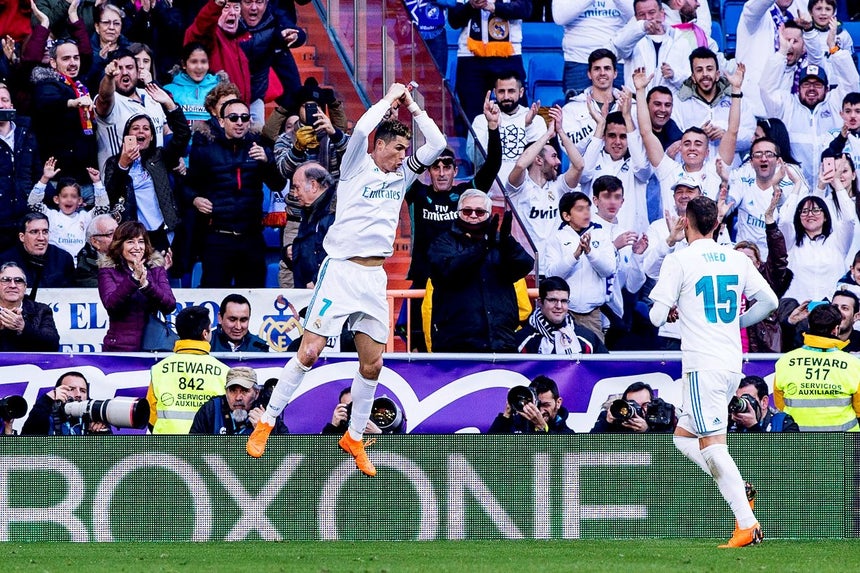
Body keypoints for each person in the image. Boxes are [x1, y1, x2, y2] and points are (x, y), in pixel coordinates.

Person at [246, 82, 446, 476]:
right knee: (309, 352)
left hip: (373, 277)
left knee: (373, 365)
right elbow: (361, 128)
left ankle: (354, 437)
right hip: (340, 271)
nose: (403, 156)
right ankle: (266, 422)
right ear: (379, 146)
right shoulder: (357, 164)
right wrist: (388, 98)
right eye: (398, 148)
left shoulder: (402, 176)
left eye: (406, 150)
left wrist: (413, 106)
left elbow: (437, 144)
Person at [649, 195, 779, 548]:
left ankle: (747, 523)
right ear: (717, 224)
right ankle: (739, 490)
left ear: (686, 223)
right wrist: (737, 321)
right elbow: (770, 302)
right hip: (731, 361)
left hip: (702, 363)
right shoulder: (736, 258)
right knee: (683, 438)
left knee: (712, 443)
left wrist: (673, 305)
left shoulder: (680, 259)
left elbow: (656, 317)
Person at [185, 97, 285, 287]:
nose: (240, 122)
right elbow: (187, 186)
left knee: (253, 295)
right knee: (214, 293)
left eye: (244, 118)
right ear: (222, 121)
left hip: (251, 237)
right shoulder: (206, 149)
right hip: (218, 237)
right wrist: (195, 199)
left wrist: (267, 161)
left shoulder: (259, 146)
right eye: (233, 118)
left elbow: (278, 184)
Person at [427, 189, 534, 352]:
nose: (473, 215)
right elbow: (450, 270)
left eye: (480, 212)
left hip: (500, 341)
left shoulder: (500, 241)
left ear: (488, 215)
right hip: (456, 343)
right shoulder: (443, 242)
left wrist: (508, 242)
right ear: (458, 213)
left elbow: (525, 265)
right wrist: (484, 246)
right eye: (467, 211)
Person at [103, 83, 190, 252]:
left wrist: (170, 105)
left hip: (162, 231)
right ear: (127, 135)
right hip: (132, 235)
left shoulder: (161, 156)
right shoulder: (114, 162)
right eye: (135, 128)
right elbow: (111, 194)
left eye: (146, 129)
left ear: (151, 136)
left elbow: (183, 135)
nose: (141, 132)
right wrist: (123, 164)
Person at [506, 104, 583, 276]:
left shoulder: (558, 186)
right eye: (554, 156)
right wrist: (547, 134)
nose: (558, 162)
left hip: (553, 267)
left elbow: (579, 165)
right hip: (524, 269)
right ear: (539, 160)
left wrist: (560, 131)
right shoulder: (519, 187)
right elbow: (520, 165)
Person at [28, 40, 98, 207]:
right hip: (59, 182)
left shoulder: (81, 86)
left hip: (86, 180)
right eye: (66, 58)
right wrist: (72, 103)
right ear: (53, 62)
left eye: (76, 58)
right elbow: (46, 102)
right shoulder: (46, 85)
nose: (73, 63)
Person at [774, 303, 860, 431]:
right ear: (835, 330)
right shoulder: (853, 364)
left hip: (797, 440)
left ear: (809, 325)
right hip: (842, 441)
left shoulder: (785, 361)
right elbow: (859, 409)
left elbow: (780, 404)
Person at [544, 191, 616, 342]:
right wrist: (575, 255)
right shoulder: (556, 238)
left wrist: (590, 252)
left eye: (588, 208)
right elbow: (552, 276)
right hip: (563, 313)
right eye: (580, 209)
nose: (586, 213)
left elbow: (609, 269)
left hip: (592, 314)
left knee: (595, 354)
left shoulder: (601, 235)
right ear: (566, 216)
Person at [147, 305, 229, 433]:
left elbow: (151, 417)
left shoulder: (159, 370)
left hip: (166, 444)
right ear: (205, 333)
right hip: (207, 444)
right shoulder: (224, 372)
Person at [448, 0, 531, 124]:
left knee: (515, 112)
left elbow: (525, 9)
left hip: (508, 54)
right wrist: (471, 5)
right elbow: (454, 20)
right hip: (470, 56)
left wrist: (494, 7)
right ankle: (476, 138)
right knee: (472, 115)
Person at [98, 221, 175, 351]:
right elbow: (111, 305)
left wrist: (146, 285)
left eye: (141, 241)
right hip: (119, 348)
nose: (137, 247)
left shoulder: (156, 268)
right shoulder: (108, 270)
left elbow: (170, 305)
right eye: (130, 242)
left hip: (152, 346)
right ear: (119, 245)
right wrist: (134, 279)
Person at [94, 47, 169, 173]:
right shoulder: (111, 100)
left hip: (155, 178)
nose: (124, 72)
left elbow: (166, 132)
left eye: (129, 67)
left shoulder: (151, 95)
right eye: (118, 68)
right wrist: (109, 77)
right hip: (120, 179)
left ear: (138, 71)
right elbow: (104, 98)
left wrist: (176, 157)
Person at [27, 161, 109, 259]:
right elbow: (33, 204)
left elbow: (103, 209)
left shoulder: (85, 217)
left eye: (73, 196)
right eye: (64, 196)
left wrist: (97, 182)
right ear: (56, 199)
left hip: (80, 264)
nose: (69, 200)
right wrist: (44, 179)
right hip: (56, 263)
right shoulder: (50, 215)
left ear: (79, 200)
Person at [552, 0, 633, 96]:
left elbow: (637, 16)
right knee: (576, 105)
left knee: (620, 105)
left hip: (617, 60)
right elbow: (560, 18)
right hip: (579, 59)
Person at [514, 275, 608, 354]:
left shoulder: (586, 338)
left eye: (563, 301)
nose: (559, 306)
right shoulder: (521, 340)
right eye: (552, 300)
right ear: (540, 302)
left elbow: (606, 367)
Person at [0, 82, 42, 252]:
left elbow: (37, 173)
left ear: (11, 105)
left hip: (25, 215)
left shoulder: (26, 133)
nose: (1, 105)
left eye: (4, 100)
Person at [184, 0, 252, 104]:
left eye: (236, 8)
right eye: (226, 7)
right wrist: (216, 5)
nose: (232, 12)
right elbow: (201, 28)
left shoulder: (242, 40)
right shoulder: (210, 38)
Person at [189, 366, 288, 435]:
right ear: (226, 392)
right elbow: (192, 449)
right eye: (232, 390)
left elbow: (286, 453)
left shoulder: (267, 414)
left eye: (244, 391)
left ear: (256, 393)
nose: (238, 397)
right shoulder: (211, 409)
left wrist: (265, 431)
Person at [0, 212, 75, 288]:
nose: (41, 238)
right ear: (22, 237)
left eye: (45, 232)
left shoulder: (63, 259)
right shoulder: (4, 261)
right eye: (34, 232)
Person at [21, 371, 110, 435]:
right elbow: (27, 443)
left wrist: (99, 434)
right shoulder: (46, 415)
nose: (78, 394)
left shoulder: (94, 418)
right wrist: (47, 400)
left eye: (83, 391)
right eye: (71, 389)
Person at [0, 261, 59, 351]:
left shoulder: (41, 310)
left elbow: (53, 345)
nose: (12, 285)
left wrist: (23, 328)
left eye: (18, 281)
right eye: (6, 280)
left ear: (25, 287)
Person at [163, 42, 225, 124]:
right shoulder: (168, 91)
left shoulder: (220, 90)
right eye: (194, 62)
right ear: (184, 64)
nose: (199, 67)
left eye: (203, 62)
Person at [487, 375, 574, 434]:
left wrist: (541, 427)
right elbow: (487, 450)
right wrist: (506, 415)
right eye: (536, 404)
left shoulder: (567, 434)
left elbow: (556, 454)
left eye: (546, 405)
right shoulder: (518, 423)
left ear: (558, 403)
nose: (540, 411)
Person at [590, 381, 676, 433]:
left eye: (645, 405)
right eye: (633, 404)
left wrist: (647, 431)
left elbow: (668, 450)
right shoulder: (614, 417)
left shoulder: (660, 418)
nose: (639, 409)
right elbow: (589, 446)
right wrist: (607, 423)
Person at [728, 375, 799, 433]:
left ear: (764, 402)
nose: (743, 405)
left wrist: (753, 427)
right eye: (740, 400)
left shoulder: (784, 423)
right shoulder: (732, 424)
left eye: (747, 399)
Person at [75, 214, 118, 287]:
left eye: (119, 231)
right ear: (95, 242)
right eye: (111, 234)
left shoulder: (127, 255)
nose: (118, 236)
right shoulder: (84, 270)